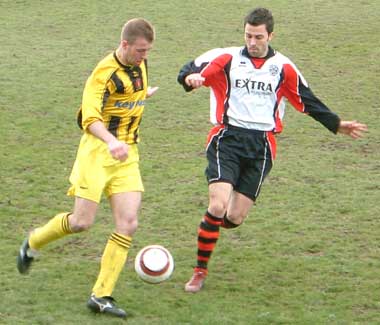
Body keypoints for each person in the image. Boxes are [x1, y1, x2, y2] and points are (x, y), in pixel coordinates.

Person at [177, 7, 367, 293]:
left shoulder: (283, 67)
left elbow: (307, 99)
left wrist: (336, 123)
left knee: (234, 217)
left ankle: (210, 225)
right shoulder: (226, 56)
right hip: (226, 137)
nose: (252, 42)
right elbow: (189, 70)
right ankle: (199, 271)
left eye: (258, 37)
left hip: (262, 146)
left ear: (270, 35)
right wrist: (190, 81)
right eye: (248, 35)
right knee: (217, 205)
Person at [17, 18, 158, 318]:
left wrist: (142, 95)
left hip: (127, 154)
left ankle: (101, 295)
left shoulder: (140, 65)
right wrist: (110, 142)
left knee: (129, 223)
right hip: (98, 152)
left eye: (147, 51)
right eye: (140, 51)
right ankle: (33, 241)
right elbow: (89, 118)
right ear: (124, 45)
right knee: (81, 222)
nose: (144, 56)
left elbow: (125, 95)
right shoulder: (103, 74)